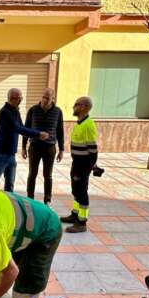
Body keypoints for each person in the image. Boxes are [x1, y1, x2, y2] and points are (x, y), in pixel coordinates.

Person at [0, 88, 49, 192]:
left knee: (10, 185)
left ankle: (8, 201)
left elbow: (22, 127)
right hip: (0, 155)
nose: (21, 100)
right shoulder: (4, 112)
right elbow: (17, 128)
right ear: (12, 98)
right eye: (20, 98)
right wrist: (38, 134)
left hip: (11, 155)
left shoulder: (15, 111)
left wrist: (37, 133)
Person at [60, 96, 98, 234]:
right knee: (76, 190)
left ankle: (82, 222)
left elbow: (93, 150)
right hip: (76, 163)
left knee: (81, 192)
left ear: (84, 107)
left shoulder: (88, 125)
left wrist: (90, 167)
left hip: (83, 165)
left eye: (77, 104)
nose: (73, 106)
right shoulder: (80, 123)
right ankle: (75, 215)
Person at [21, 87, 64, 205]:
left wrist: (61, 150)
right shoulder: (33, 110)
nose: (45, 100)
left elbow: (60, 131)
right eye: (43, 97)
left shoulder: (58, 112)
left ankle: (47, 201)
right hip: (34, 147)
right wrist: (23, 147)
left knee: (48, 175)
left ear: (53, 98)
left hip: (50, 148)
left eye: (48, 98)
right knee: (32, 174)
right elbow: (26, 129)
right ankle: (30, 199)